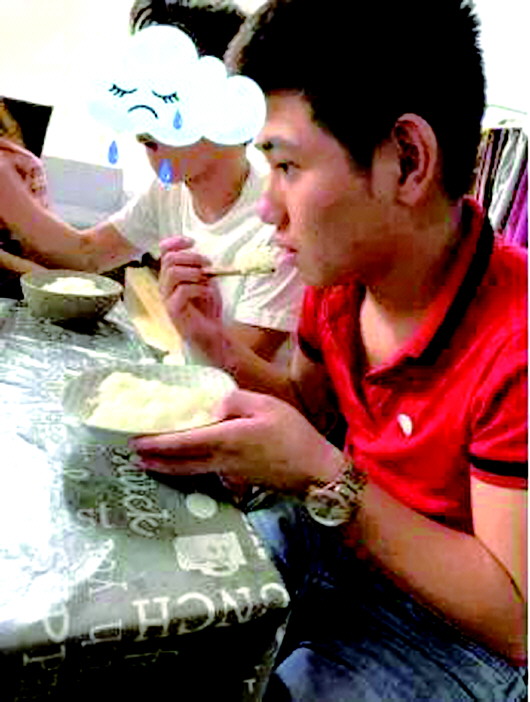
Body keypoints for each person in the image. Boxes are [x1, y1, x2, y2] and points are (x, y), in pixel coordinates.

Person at [132, 0, 528, 699]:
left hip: (457, 627)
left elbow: (514, 617)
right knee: (159, 617)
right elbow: (309, 407)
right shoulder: (341, 279)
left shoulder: (516, 340)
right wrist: (213, 342)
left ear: (407, 160)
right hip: (336, 535)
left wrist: (323, 476)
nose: (267, 209)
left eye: (286, 166)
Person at [0, 0, 303, 363]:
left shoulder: (280, 222)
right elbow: (87, 255)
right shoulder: (168, 192)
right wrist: (9, 191)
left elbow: (230, 373)